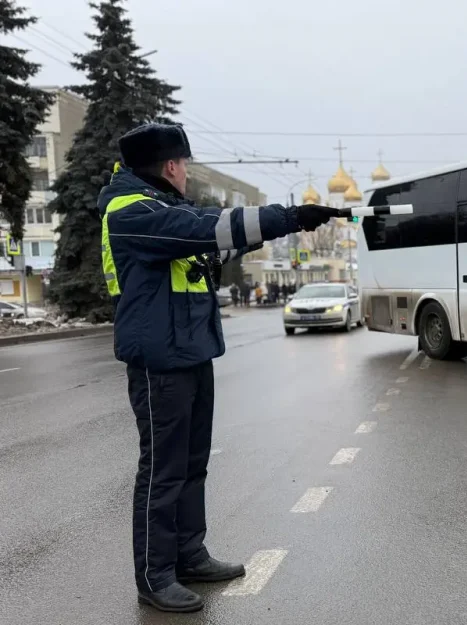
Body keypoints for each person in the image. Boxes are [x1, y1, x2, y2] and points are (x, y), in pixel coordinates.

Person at [100, 122, 340, 613]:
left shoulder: (165, 209)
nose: (186, 173)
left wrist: (291, 225)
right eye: (184, 164)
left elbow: (218, 241)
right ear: (170, 165)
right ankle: (154, 574)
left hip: (191, 350)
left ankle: (189, 554)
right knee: (162, 471)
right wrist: (287, 215)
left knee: (192, 465)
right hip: (160, 358)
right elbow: (204, 229)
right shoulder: (131, 212)